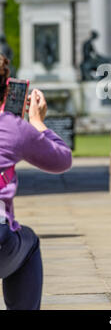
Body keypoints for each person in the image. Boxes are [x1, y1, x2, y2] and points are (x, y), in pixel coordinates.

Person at [0, 53, 72, 310]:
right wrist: (37, 122)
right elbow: (62, 160)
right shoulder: (12, 128)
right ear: (6, 87)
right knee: (28, 245)